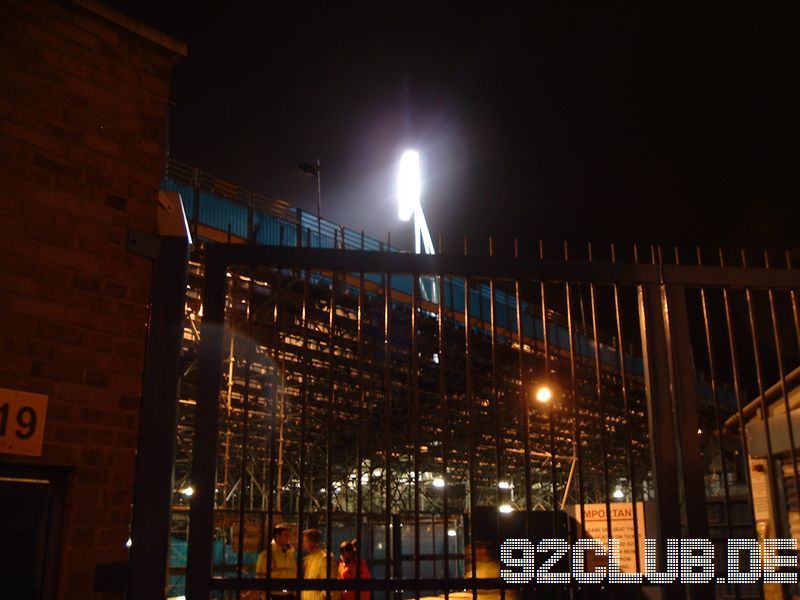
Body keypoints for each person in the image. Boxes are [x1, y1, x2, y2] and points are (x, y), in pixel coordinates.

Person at [256, 523, 298, 600]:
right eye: (285, 535)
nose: (288, 538)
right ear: (277, 536)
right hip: (274, 595)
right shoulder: (266, 555)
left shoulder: (290, 553)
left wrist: (294, 593)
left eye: (288, 535)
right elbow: (260, 577)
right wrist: (264, 596)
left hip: (289, 595)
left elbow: (294, 572)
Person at [302, 528, 342, 600]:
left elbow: (332, 586)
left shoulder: (325, 559)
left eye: (305, 541)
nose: (304, 544)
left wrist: (320, 598)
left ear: (313, 542)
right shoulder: (308, 559)